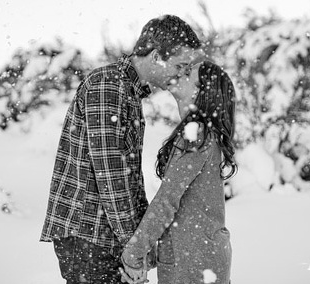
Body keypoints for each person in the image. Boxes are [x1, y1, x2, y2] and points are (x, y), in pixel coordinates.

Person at [40, 15, 204, 284]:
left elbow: (127, 180)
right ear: (155, 56)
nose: (180, 74)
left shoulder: (126, 91)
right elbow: (111, 176)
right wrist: (135, 247)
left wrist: (138, 241)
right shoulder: (109, 86)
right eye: (179, 65)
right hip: (90, 238)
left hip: (103, 236)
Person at [121, 61, 237, 284]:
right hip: (201, 255)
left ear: (201, 91)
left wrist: (133, 252)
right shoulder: (202, 133)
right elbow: (189, 206)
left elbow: (167, 200)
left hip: (195, 260)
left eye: (187, 75)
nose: (178, 75)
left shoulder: (197, 134)